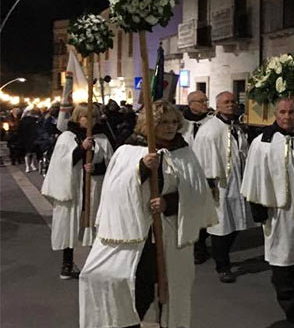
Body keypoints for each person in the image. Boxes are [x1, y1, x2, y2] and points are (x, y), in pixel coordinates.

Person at [79, 100, 217, 328]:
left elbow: (197, 193)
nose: (170, 127)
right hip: (137, 237)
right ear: (148, 124)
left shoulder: (184, 152)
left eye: (173, 122)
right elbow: (115, 192)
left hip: (172, 234)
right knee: (135, 286)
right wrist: (141, 168)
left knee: (173, 287)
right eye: (163, 122)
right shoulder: (128, 151)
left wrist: (167, 203)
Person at [241, 98, 294, 323]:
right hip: (277, 212)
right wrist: (258, 211)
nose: (287, 117)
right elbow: (254, 177)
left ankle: (292, 291)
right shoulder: (262, 143)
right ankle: (289, 303)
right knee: (282, 256)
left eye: (291, 112)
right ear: (275, 114)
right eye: (283, 112)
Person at [41, 104, 114, 279]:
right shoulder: (67, 137)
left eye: (94, 117)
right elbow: (60, 163)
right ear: (77, 117)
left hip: (94, 187)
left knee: (94, 223)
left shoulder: (102, 137)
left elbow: (111, 164)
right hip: (73, 186)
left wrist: (95, 167)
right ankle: (67, 263)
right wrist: (81, 149)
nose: (91, 121)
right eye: (86, 117)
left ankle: (96, 262)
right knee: (69, 225)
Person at [193, 91, 251, 283]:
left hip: (237, 181)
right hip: (220, 184)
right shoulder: (210, 130)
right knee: (221, 225)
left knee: (234, 223)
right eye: (226, 102)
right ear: (217, 106)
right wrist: (209, 184)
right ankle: (222, 265)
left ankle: (220, 255)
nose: (231, 104)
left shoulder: (236, 126)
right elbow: (202, 159)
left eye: (233, 101)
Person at [181, 90, 213, 264]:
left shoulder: (211, 122)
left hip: (204, 171)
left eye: (205, 101)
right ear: (191, 103)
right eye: (201, 101)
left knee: (203, 209)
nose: (205, 104)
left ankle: (200, 243)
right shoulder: (181, 123)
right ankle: (191, 244)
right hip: (185, 172)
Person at [19, 107, 41, 172]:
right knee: (28, 153)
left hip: (32, 137)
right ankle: (28, 166)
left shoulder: (34, 119)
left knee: (33, 153)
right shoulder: (24, 120)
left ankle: (31, 165)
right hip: (28, 137)